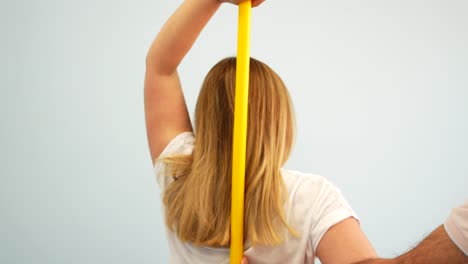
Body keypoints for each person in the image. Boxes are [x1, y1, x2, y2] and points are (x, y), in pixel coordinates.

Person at [144, 0, 377, 263]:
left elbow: (159, 66)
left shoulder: (176, 172)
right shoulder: (311, 199)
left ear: (207, 117)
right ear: (279, 125)